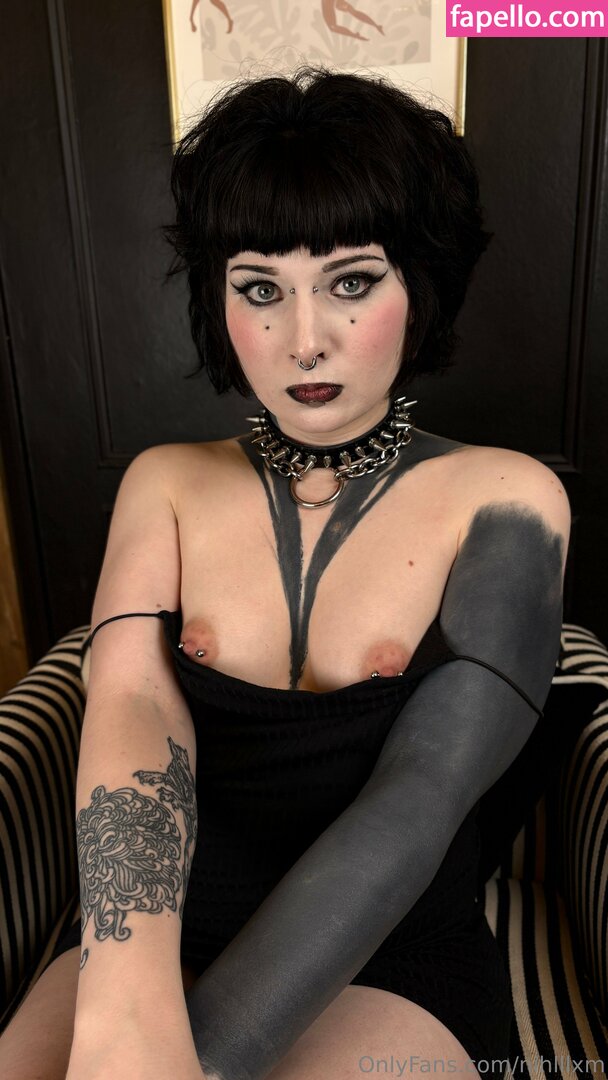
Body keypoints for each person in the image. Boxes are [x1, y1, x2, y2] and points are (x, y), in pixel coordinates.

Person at [0, 66, 569, 1080]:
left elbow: (422, 796)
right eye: (260, 289)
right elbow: (131, 708)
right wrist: (124, 1015)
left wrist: (202, 1068)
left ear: (420, 284)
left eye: (351, 282)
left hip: (387, 946)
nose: (304, 339)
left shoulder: (508, 497)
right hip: (165, 926)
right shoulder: (163, 483)